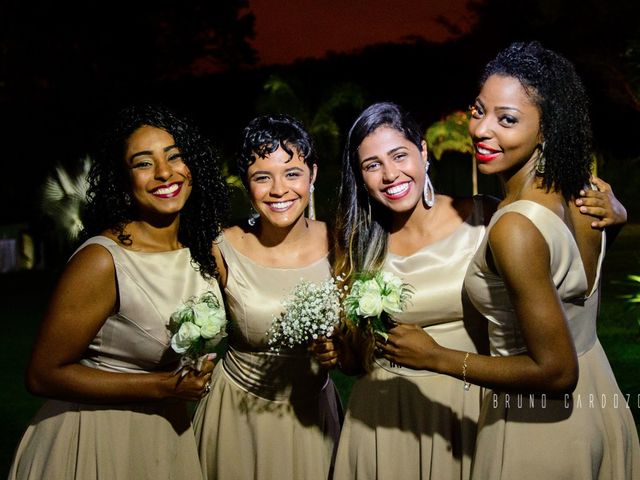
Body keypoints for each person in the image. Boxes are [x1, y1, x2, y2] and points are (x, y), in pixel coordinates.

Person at [312, 101, 628, 480]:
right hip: (385, 418)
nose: (389, 174)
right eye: (372, 165)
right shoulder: (357, 244)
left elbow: (569, 280)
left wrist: (614, 219)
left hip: (470, 405)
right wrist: (337, 351)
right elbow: (353, 362)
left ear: (423, 152)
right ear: (360, 176)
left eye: (399, 155)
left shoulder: (484, 218)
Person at [378, 42, 640, 479]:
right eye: (479, 110)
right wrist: (620, 215)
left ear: (547, 129)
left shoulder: (514, 227)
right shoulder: (589, 191)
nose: (482, 130)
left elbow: (556, 371)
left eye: (508, 119)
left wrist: (437, 357)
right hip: (600, 404)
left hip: (536, 427)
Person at [8, 104, 229, 480]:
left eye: (174, 156)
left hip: (166, 436)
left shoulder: (204, 252)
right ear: (123, 181)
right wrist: (162, 387)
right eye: (143, 163)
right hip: (96, 439)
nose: (164, 172)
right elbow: (42, 375)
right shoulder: (102, 259)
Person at [193, 114, 341, 480]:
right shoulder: (221, 247)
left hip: (314, 417)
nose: (279, 190)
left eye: (292, 173)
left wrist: (343, 347)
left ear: (313, 175)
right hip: (238, 417)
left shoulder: (342, 243)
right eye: (263, 177)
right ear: (247, 184)